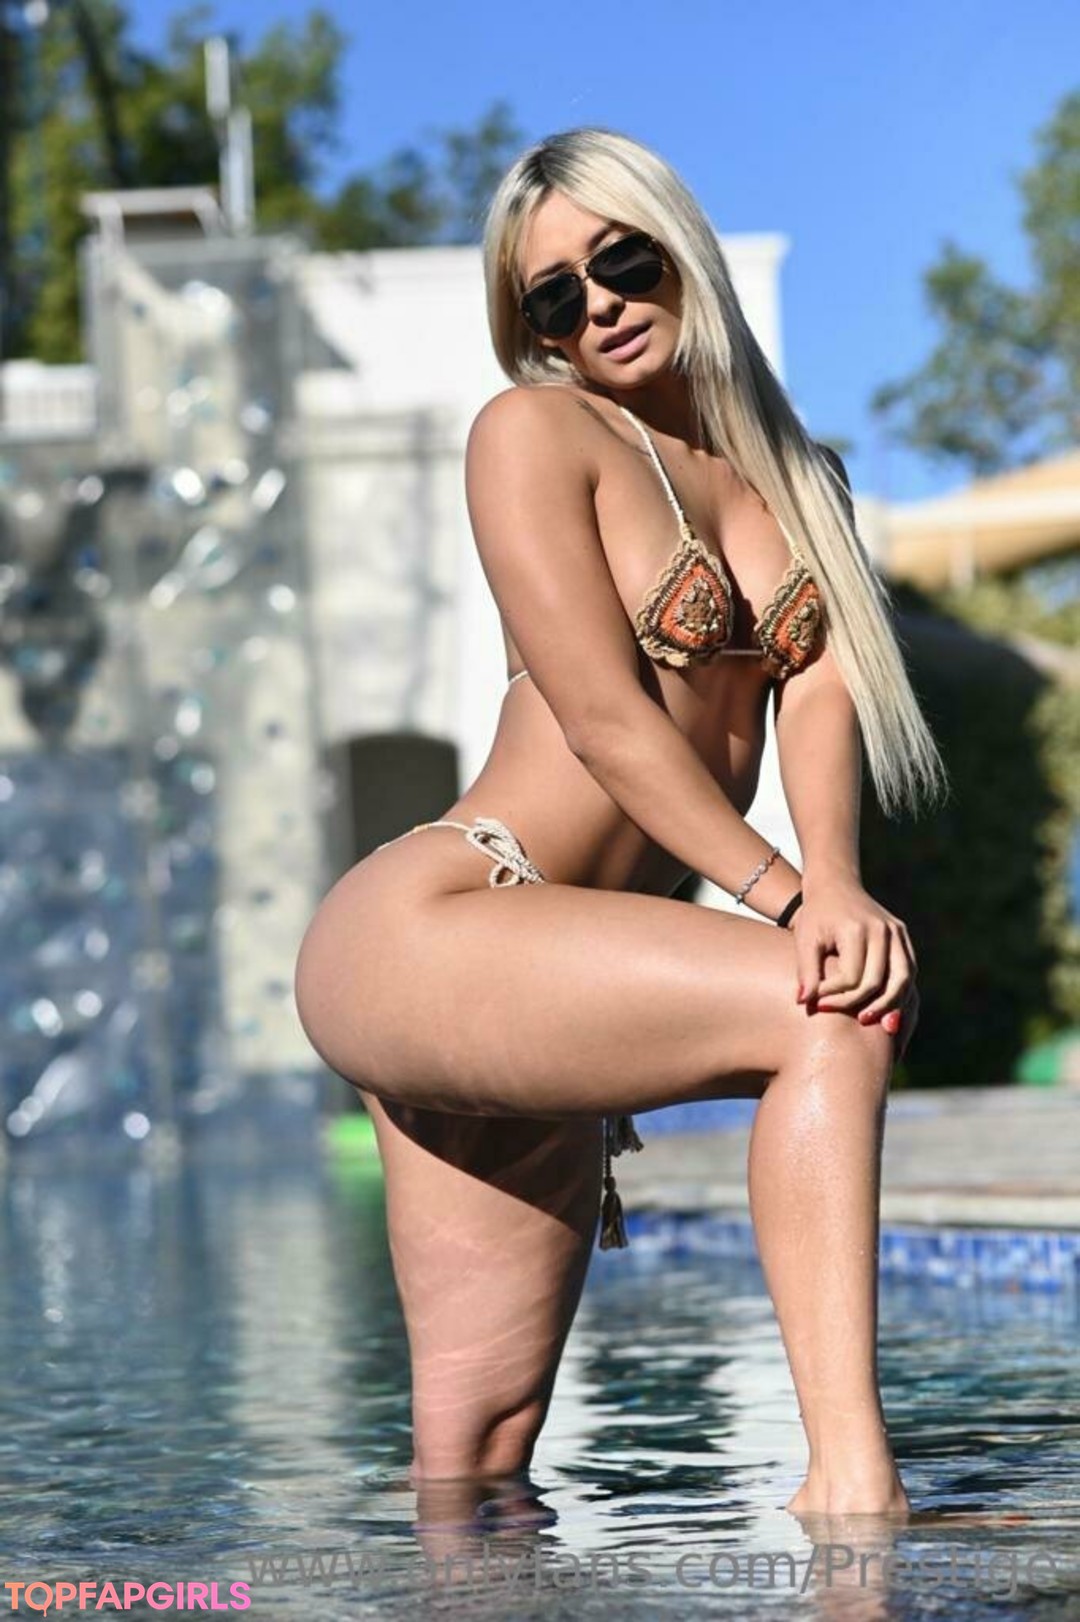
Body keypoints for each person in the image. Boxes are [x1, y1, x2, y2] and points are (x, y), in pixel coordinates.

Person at [294, 126, 947, 1519]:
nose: (596, 304)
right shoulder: (535, 435)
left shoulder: (804, 482)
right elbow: (606, 721)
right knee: (828, 1011)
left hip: (554, 970)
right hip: (445, 919)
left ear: (679, 249)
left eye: (622, 261)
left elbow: (821, 700)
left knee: (479, 1458)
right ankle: (851, 1484)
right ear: (531, 329)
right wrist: (788, 901)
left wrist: (834, 878)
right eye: (553, 297)